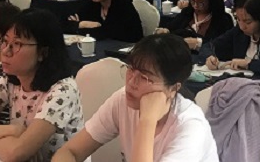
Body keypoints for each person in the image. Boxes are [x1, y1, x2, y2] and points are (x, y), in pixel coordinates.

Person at [51, 34, 219, 162]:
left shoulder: (190, 126)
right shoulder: (123, 99)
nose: (131, 82)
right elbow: (70, 151)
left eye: (145, 78)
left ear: (173, 88)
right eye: (131, 69)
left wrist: (147, 120)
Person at [0, 9, 83, 162]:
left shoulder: (63, 90)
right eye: (5, 41)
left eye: (17, 44)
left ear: (43, 52)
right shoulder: (9, 81)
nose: (5, 51)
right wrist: (13, 131)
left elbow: (15, 153)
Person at [156, 0, 234, 50]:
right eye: (192, 0)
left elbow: (224, 47)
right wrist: (165, 31)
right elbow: (171, 27)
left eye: (201, 2)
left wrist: (199, 43)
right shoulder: (187, 13)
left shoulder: (223, 20)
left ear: (212, 0)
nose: (195, 6)